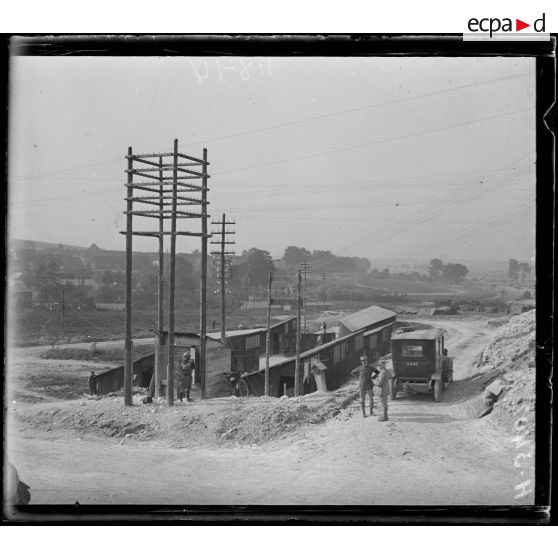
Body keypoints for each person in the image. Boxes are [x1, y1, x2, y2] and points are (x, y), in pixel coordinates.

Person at [372, 355, 390, 422]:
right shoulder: (386, 371)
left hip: (381, 390)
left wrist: (374, 383)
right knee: (384, 403)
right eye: (379, 364)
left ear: (383, 364)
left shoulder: (383, 372)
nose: (379, 365)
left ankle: (385, 417)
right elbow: (373, 376)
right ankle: (385, 416)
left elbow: (380, 383)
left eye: (380, 364)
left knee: (383, 404)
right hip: (385, 390)